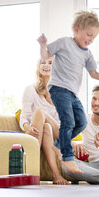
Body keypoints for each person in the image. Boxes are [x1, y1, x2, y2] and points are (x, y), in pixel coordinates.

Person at [37, 10, 99, 174]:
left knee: (82, 122)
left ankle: (59, 144)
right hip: (58, 88)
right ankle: (67, 157)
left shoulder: (87, 54)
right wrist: (42, 45)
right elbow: (45, 55)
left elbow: (94, 73)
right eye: (88, 34)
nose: (90, 39)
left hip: (72, 94)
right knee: (67, 121)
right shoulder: (64, 43)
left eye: (93, 37)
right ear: (76, 29)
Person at [20, 57, 69, 185]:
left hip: (55, 136)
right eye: (43, 62)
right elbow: (24, 117)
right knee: (40, 115)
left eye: (51, 63)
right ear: (38, 68)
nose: (46, 65)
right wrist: (28, 127)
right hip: (34, 135)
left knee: (47, 124)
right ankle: (55, 173)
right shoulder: (30, 90)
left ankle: (50, 174)